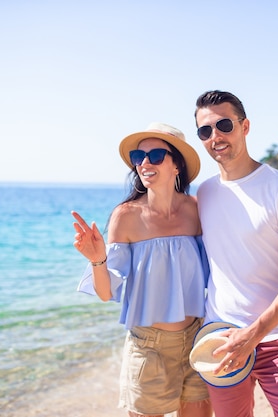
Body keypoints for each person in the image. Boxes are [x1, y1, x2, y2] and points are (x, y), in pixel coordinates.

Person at [193, 90, 278, 417]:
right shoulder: (205, 193)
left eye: (224, 125)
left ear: (245, 126)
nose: (216, 136)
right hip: (221, 342)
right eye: (205, 130)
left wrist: (253, 335)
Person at [72, 122, 212, 417]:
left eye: (156, 155)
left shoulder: (195, 210)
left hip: (198, 337)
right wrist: (99, 259)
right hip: (150, 347)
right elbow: (105, 292)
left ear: (177, 166)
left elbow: (220, 265)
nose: (145, 163)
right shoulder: (126, 216)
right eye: (139, 156)